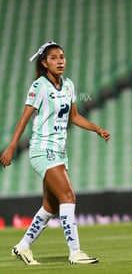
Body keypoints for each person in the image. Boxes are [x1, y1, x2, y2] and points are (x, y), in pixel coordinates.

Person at [0, 41, 110, 265]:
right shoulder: (39, 86)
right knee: (68, 196)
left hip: (59, 151)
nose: (60, 61)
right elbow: (24, 118)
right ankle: (75, 252)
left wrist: (96, 128)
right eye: (54, 58)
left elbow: (74, 116)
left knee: (50, 206)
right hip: (43, 150)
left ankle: (23, 247)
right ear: (44, 63)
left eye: (62, 56)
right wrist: (11, 147)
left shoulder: (68, 85)